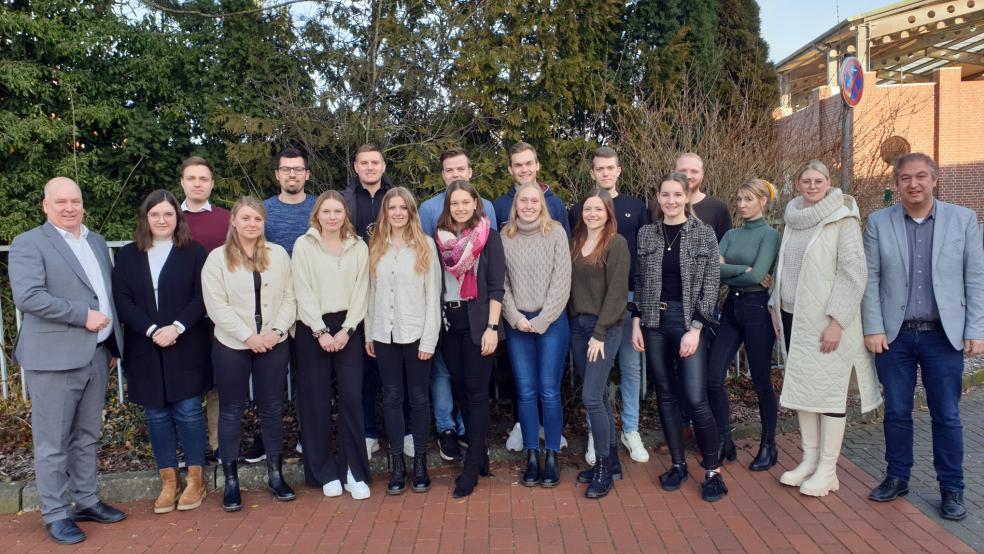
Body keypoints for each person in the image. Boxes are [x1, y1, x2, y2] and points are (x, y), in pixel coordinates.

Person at [862, 153, 984, 520]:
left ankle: (952, 488)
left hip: (943, 336)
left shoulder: (962, 220)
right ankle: (897, 476)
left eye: (920, 177)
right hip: (894, 337)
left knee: (947, 415)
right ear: (896, 183)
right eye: (905, 178)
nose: (913, 184)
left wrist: (975, 328)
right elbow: (871, 280)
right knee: (897, 412)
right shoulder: (878, 222)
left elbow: (974, 277)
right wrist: (873, 327)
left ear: (933, 180)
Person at [9, 177, 126, 544]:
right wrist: (83, 315)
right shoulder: (29, 243)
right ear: (46, 206)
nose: (69, 207)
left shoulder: (94, 240)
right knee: (53, 442)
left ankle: (87, 500)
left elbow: (105, 292)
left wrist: (110, 345)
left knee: (87, 435)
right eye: (60, 202)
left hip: (96, 354)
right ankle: (56, 512)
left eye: (75, 200)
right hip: (54, 359)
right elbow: (29, 297)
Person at [769, 160, 881, 497]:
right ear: (798, 184)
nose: (813, 185)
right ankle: (810, 460)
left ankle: (828, 469)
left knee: (829, 393)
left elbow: (853, 273)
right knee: (805, 391)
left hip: (827, 322)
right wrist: (775, 306)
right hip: (794, 317)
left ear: (829, 182)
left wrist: (837, 321)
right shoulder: (793, 218)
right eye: (806, 180)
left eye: (819, 180)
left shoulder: (842, 218)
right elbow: (786, 266)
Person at [112, 190, 210, 514]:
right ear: (146, 218)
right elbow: (122, 300)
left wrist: (177, 327)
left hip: (185, 342)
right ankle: (169, 481)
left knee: (188, 411)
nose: (162, 220)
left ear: (177, 218)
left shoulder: (194, 252)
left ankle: (196, 479)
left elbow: (201, 296)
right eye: (155, 215)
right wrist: (152, 329)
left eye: (168, 214)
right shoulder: (128, 256)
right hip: (145, 345)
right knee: (156, 414)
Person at [633, 172, 726, 502]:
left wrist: (696, 329)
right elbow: (641, 282)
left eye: (676, 195)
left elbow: (712, 285)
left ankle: (713, 471)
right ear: (657, 198)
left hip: (688, 322)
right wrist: (636, 322)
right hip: (654, 322)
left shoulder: (703, 234)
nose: (670, 200)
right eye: (664, 195)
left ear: (687, 197)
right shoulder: (647, 234)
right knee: (666, 396)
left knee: (695, 398)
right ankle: (677, 464)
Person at [201, 197, 297, 511]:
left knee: (272, 408)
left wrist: (276, 332)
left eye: (257, 219)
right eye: (245, 218)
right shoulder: (217, 259)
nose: (252, 224)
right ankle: (231, 481)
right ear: (234, 222)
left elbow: (289, 297)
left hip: (273, 342)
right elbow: (216, 306)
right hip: (232, 345)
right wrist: (247, 337)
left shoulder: (279, 255)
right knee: (231, 410)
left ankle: (275, 474)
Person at [569, 146, 650, 465]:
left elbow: (641, 260)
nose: (605, 172)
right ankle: (598, 433)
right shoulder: (580, 212)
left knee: (630, 368)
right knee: (594, 381)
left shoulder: (635, 207)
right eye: (599, 168)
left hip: (624, 302)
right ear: (592, 172)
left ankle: (630, 429)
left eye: (610, 167)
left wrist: (638, 311)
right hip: (588, 306)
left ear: (619, 170)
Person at [291, 191, 372, 500]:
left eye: (338, 211)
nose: (332, 216)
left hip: (348, 328)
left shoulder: (358, 246)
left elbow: (361, 289)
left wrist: (348, 329)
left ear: (345, 215)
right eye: (326, 211)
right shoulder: (303, 245)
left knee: (352, 398)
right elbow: (302, 289)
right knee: (316, 400)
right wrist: (320, 331)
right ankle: (323, 471)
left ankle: (353, 470)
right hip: (313, 328)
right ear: (317, 215)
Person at [418, 147, 497, 463]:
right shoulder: (429, 209)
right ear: (443, 175)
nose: (456, 175)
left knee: (472, 378)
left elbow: (492, 261)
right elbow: (426, 255)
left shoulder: (486, 206)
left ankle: (469, 431)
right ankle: (446, 428)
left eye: (461, 169)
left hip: (476, 309)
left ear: (470, 171)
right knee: (442, 371)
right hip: (444, 306)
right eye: (450, 170)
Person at [365, 187, 442, 495]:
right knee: (393, 398)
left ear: (411, 212)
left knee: (419, 398)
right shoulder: (376, 246)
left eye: (403, 208)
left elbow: (433, 295)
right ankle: (397, 464)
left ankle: (420, 462)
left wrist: (429, 340)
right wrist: (370, 332)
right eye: (391, 207)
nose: (397, 212)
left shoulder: (425, 246)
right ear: (385, 212)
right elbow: (370, 294)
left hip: (416, 334)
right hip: (385, 334)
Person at [435, 181, 506, 497]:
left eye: (466, 202)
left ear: (476, 203)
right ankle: (481, 455)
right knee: (461, 389)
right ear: (448, 207)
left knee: (477, 393)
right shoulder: (440, 240)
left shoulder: (488, 236)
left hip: (480, 323)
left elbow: (496, 285)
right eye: (455, 203)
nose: (461, 208)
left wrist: (492, 328)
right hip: (451, 322)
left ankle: (471, 466)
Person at [706, 179, 781, 471]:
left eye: (749, 199)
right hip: (731, 308)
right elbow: (714, 269)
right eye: (739, 199)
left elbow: (759, 275)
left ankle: (768, 445)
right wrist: (741, 270)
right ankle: (725, 439)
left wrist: (733, 271)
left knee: (761, 381)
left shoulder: (770, 235)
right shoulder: (732, 234)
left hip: (757, 309)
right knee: (713, 377)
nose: (742, 205)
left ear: (763, 200)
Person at [502, 183, 571, 487]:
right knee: (526, 391)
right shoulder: (504, 235)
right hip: (518, 324)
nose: (528, 205)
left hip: (551, 322)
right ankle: (531, 456)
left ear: (542, 204)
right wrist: (515, 318)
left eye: (534, 201)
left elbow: (562, 281)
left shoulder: (555, 232)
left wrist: (542, 320)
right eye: (523, 201)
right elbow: (499, 284)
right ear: (515, 204)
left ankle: (552, 456)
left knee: (548, 390)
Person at [342, 144, 406, 460]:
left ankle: (406, 431)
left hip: (395, 288)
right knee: (365, 370)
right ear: (356, 167)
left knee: (401, 369)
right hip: (358, 289)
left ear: (383, 166)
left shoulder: (396, 198)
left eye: (375, 162)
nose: (369, 167)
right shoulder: (344, 200)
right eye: (363, 162)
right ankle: (368, 433)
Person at [569, 189, 630, 499]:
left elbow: (618, 294)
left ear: (608, 213)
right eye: (587, 208)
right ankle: (613, 461)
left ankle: (604, 469)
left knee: (591, 397)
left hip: (604, 329)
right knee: (601, 396)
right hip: (578, 326)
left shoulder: (616, 244)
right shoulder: (577, 242)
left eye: (598, 209)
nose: (592, 213)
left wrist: (601, 332)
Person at [179, 156, 229, 462]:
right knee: (187, 383)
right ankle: (191, 449)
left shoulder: (226, 219)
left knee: (219, 380)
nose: (198, 184)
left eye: (204, 179)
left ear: (211, 183)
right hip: (181, 314)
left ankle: (218, 444)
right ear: (183, 182)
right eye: (192, 178)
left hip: (219, 314)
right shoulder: (168, 218)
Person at [493, 141, 570, 237]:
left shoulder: (556, 204)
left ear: (537, 165)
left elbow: (566, 244)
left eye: (529, 163)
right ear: (510, 169)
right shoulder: (499, 206)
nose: (524, 170)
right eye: (518, 165)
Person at [674, 153, 731, 241]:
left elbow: (724, 249)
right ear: (674, 172)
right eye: (683, 171)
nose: (688, 176)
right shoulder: (660, 206)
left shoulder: (718, 208)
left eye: (694, 171)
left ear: (702, 175)